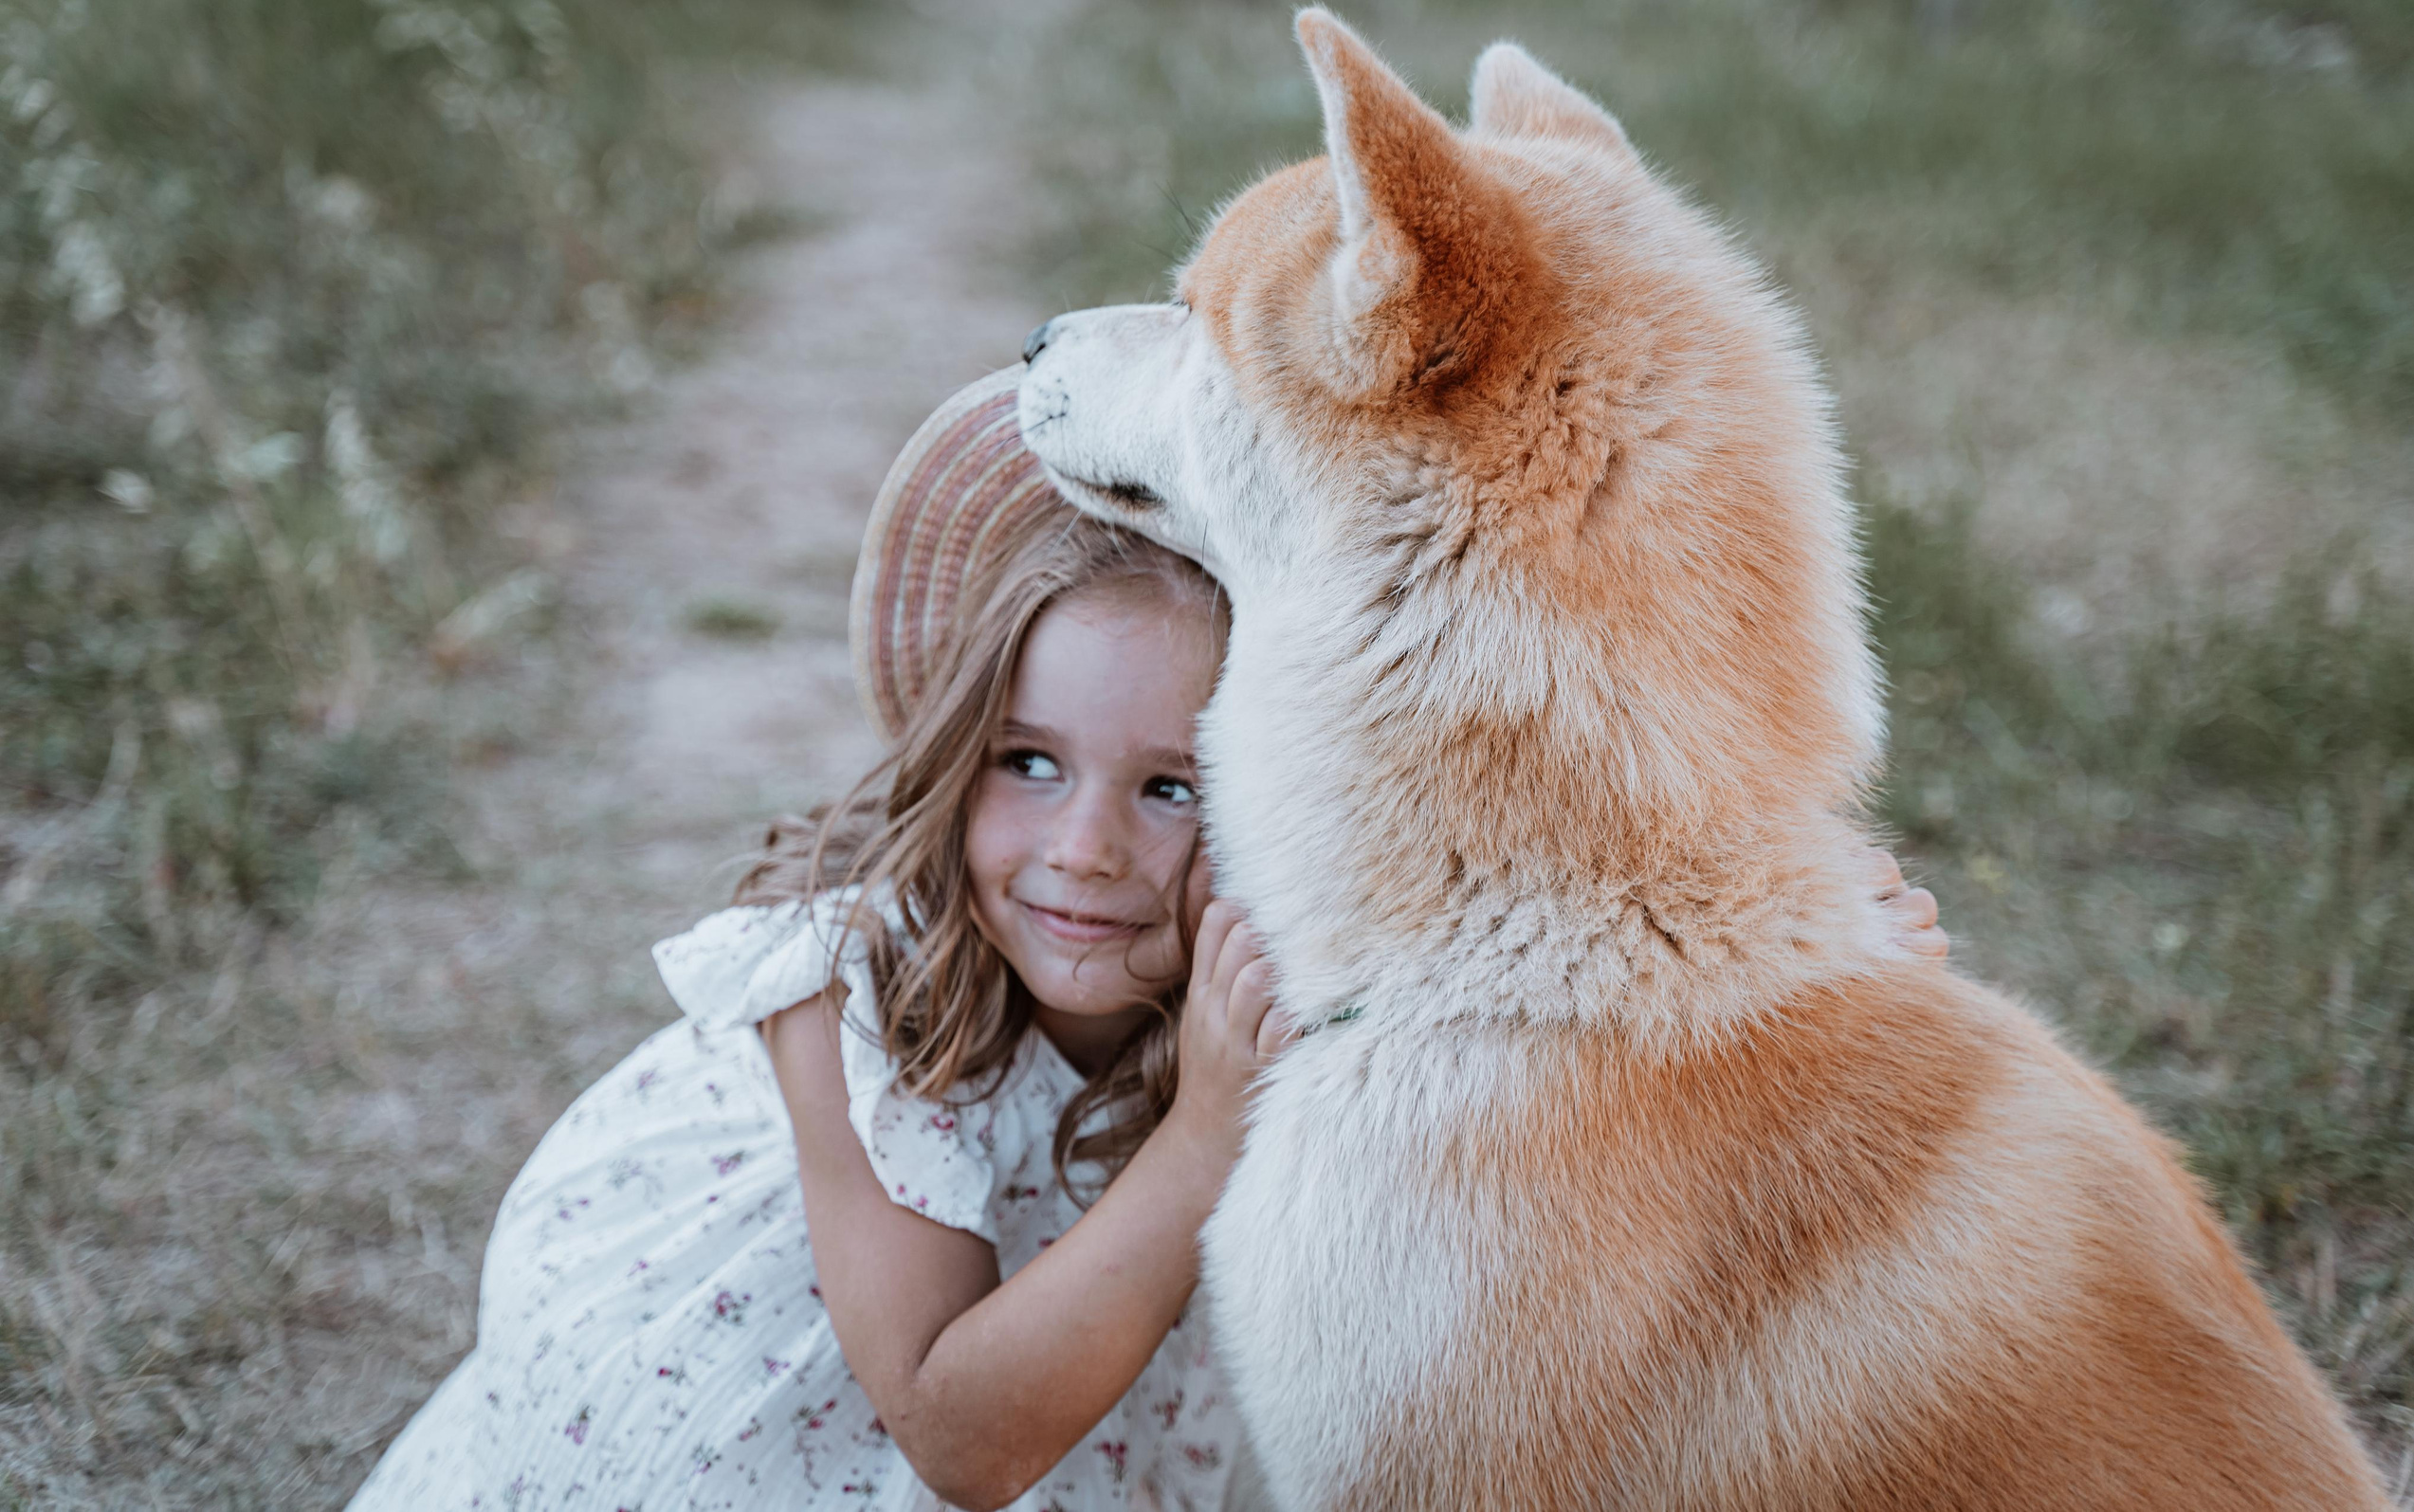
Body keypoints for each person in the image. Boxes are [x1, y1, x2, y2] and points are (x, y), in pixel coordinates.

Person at [349, 370, 1948, 1512]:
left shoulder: (1294, 966)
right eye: (1028, 761)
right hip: (787, 1445)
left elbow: (1564, 1014)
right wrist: (1202, 1140)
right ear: (958, 748)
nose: (1087, 849)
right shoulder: (846, 989)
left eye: (1172, 786)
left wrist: (1819, 967)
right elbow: (959, 1440)